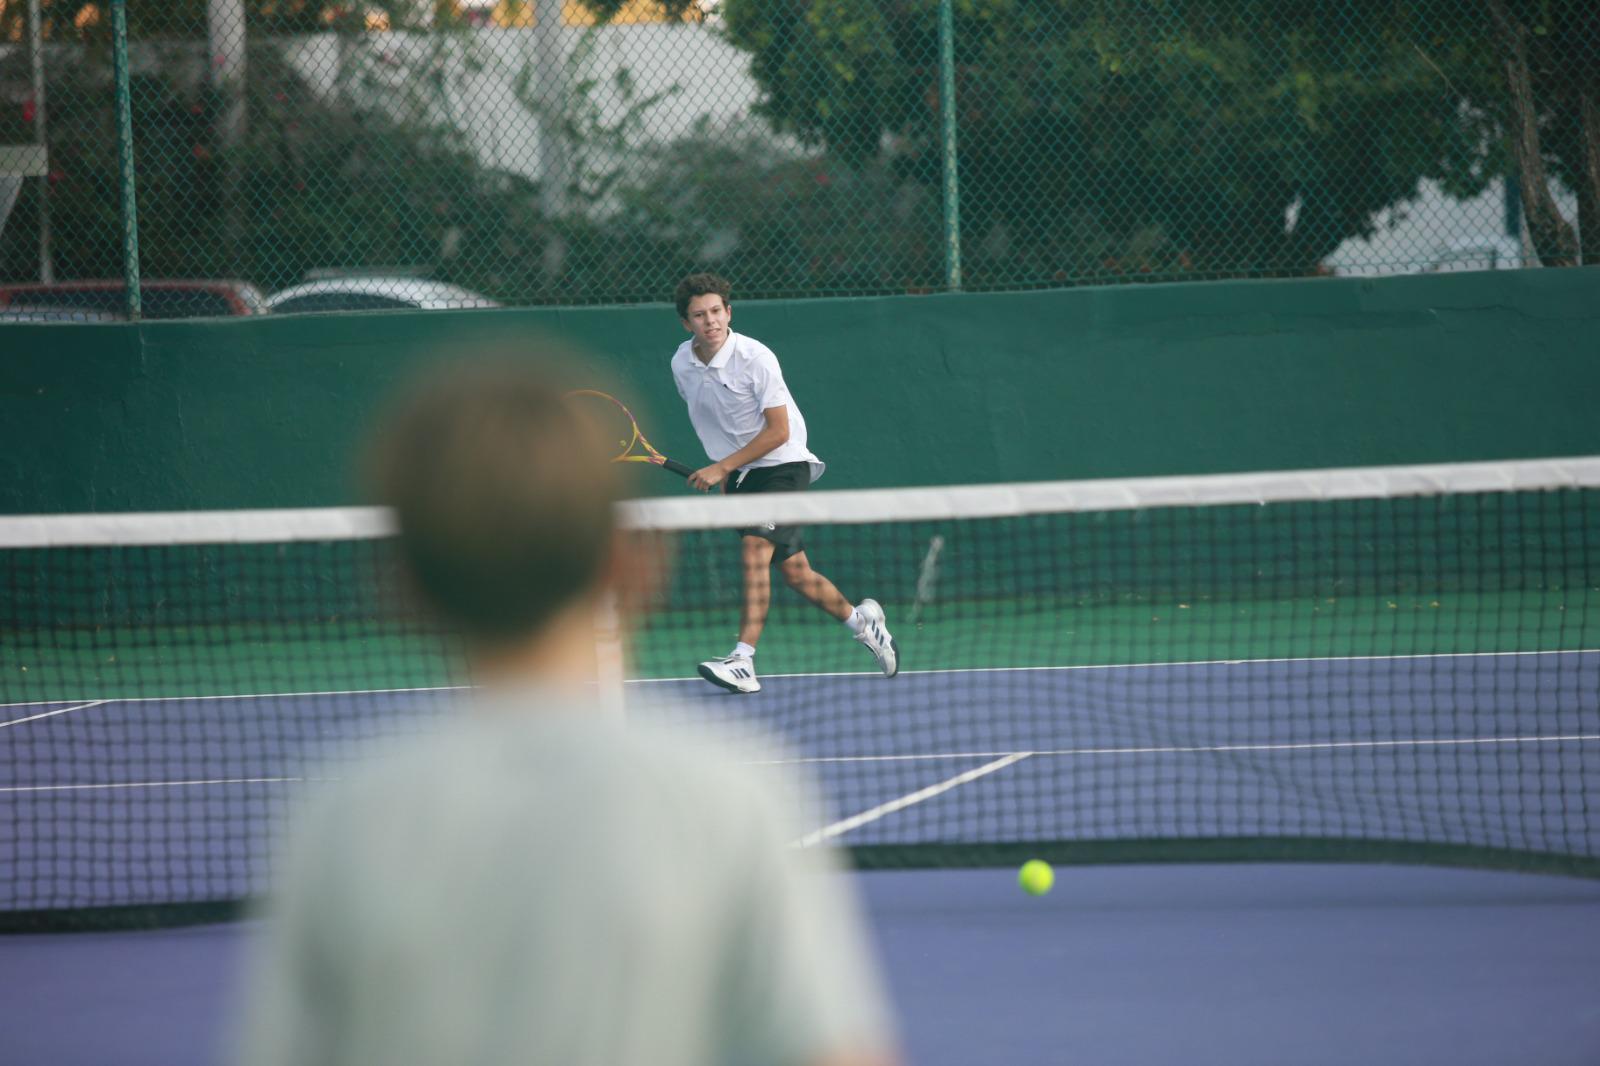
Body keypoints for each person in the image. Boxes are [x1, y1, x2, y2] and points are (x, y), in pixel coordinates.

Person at [236, 356, 899, 1066]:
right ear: (630, 567)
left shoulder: (338, 821)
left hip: (777, 467)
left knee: (766, 559)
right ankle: (852, 621)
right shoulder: (735, 802)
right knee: (789, 568)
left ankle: (750, 651)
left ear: (403, 587)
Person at [671, 273, 899, 694]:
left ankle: (742, 660)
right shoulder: (681, 363)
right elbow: (715, 422)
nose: (711, 322)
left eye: (717, 311)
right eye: (700, 315)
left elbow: (777, 432)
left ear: (729, 312)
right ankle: (863, 623)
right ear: (687, 324)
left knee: (754, 550)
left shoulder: (756, 358)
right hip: (742, 472)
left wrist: (721, 468)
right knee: (795, 572)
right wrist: (727, 472)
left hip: (783, 463)